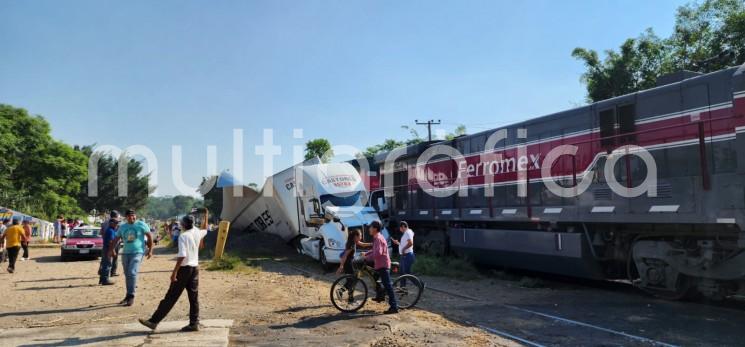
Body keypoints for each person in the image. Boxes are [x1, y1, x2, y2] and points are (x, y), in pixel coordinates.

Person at [139, 215, 208, 332]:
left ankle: (153, 321)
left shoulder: (183, 236)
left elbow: (182, 256)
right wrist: (205, 216)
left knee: (171, 296)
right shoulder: (197, 231)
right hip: (195, 268)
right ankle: (194, 323)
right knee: (193, 298)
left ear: (185, 225)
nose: (180, 224)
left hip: (184, 269)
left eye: (181, 223)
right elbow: (205, 230)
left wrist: (174, 272)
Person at [109, 209, 153, 306]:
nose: (131, 217)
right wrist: (111, 250)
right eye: (129, 216)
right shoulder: (122, 227)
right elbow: (116, 238)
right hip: (125, 253)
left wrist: (150, 250)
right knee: (127, 274)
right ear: (126, 217)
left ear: (135, 216)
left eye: (133, 215)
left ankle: (131, 296)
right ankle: (128, 295)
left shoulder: (141, 224)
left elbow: (149, 237)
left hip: (138, 252)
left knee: (132, 272)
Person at [364, 221, 398, 314]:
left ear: (375, 228)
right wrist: (366, 253)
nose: (369, 229)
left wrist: (367, 258)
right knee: (374, 278)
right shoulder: (376, 237)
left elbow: (378, 253)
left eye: (370, 227)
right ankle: (380, 296)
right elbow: (374, 250)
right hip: (379, 264)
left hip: (383, 265)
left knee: (388, 286)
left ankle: (394, 307)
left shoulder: (378, 238)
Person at [391, 221, 415, 286]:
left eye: (400, 228)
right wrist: (398, 243)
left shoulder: (407, 232)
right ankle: (402, 288)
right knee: (402, 273)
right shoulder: (407, 233)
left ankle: (420, 285)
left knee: (407, 273)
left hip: (407, 255)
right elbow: (404, 244)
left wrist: (403, 249)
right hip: (405, 256)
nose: (400, 230)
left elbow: (410, 243)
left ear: (404, 226)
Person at [98, 218, 120, 285]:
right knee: (107, 264)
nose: (117, 224)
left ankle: (102, 279)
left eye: (117, 223)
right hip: (108, 249)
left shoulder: (111, 230)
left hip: (106, 248)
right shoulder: (110, 231)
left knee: (105, 263)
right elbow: (110, 242)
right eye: (116, 223)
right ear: (111, 223)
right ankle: (105, 280)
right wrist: (113, 251)